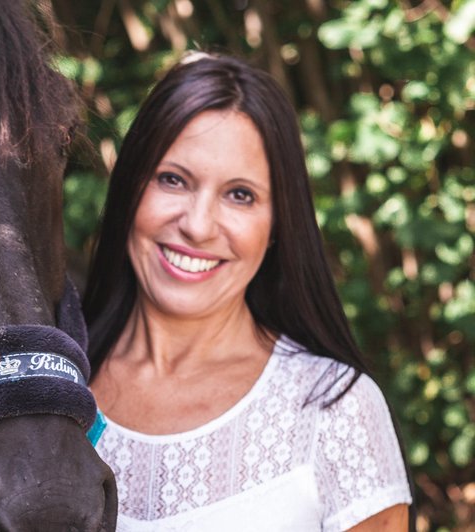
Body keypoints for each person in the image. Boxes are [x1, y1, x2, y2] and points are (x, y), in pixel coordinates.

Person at [83, 52, 413, 531]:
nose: (197, 226)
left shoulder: (334, 408)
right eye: (172, 179)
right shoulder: (50, 390)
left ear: (278, 223)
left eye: (240, 195)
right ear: (130, 188)